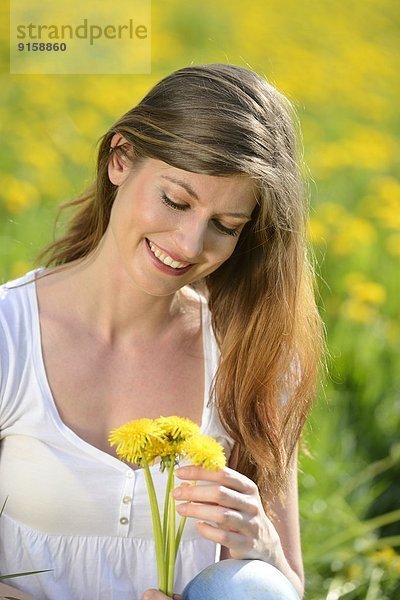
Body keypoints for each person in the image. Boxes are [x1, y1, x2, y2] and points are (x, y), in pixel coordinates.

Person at [0, 63, 324, 600]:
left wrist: (262, 550)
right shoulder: (11, 334)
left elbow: (284, 588)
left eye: (226, 226)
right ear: (120, 159)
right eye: (176, 201)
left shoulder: (251, 353)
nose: (190, 244)